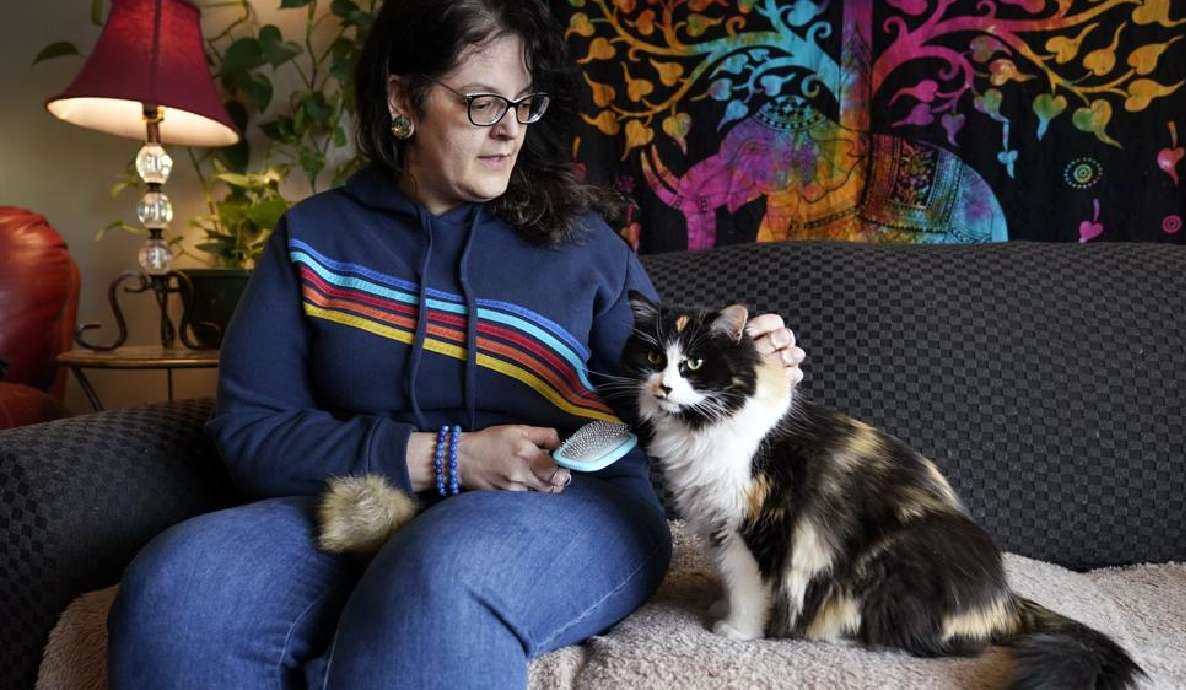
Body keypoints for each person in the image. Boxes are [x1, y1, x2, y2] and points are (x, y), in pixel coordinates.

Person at [107, 1, 806, 687]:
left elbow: (660, 404)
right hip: (360, 501)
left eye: (523, 104)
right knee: (182, 585)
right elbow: (252, 434)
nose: (509, 131)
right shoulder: (314, 240)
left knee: (442, 570)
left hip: (570, 509)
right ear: (402, 99)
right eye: (481, 103)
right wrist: (447, 458)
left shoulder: (582, 244)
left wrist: (746, 375)